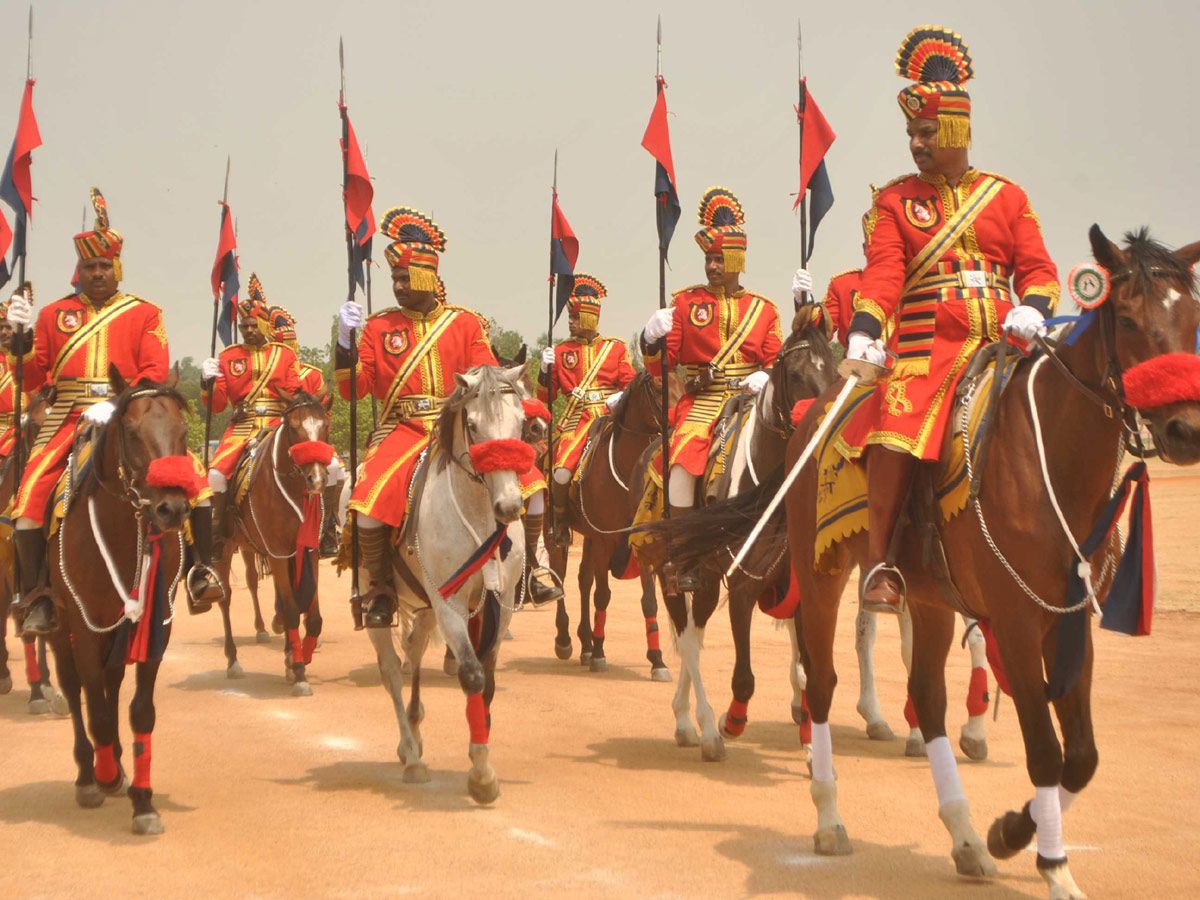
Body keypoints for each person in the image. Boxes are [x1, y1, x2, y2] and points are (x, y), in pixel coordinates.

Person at [839, 26, 1059, 613]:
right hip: (927, 352)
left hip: (1007, 343)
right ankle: (883, 562)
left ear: (957, 127)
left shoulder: (1006, 197)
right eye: (911, 132)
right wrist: (864, 328)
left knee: (1075, 402)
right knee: (894, 427)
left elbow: (1038, 270)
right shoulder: (894, 202)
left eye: (926, 130)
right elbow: (884, 273)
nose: (916, 143)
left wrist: (1033, 309)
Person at [6, 189, 218, 632]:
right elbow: (30, 381)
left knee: (195, 481)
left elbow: (155, 372)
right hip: (66, 420)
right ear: (78, 271)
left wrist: (117, 405)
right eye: (89, 267)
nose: (97, 273)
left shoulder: (145, 313)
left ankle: (201, 569)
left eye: (104, 266)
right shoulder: (52, 315)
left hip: (129, 417)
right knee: (28, 502)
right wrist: (20, 346)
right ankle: (38, 595)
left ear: (117, 268)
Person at [334, 207, 497, 628]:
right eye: (395, 280)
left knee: (526, 482)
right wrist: (345, 344)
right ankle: (383, 590)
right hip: (401, 429)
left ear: (427, 277)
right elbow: (355, 389)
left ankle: (529, 566)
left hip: (455, 428)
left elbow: (485, 379)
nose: (399, 287)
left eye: (406, 279)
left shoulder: (464, 324)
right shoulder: (378, 327)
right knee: (368, 498)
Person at [639, 187, 782, 591]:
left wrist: (767, 375)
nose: (713, 267)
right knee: (682, 462)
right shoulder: (685, 303)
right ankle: (683, 555)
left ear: (737, 260)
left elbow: (776, 360)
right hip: (702, 402)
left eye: (720, 259)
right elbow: (658, 365)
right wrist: (650, 338)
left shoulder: (764, 310)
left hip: (752, 400)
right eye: (709, 259)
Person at [200, 288, 302, 603]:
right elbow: (216, 405)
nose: (248, 330)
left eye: (254, 325)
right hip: (242, 429)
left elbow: (295, 390)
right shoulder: (229, 356)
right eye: (244, 326)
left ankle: (323, 528)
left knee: (318, 467)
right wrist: (208, 383)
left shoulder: (283, 355)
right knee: (216, 476)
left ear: (266, 327)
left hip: (276, 426)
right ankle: (218, 533)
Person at [539, 273, 635, 547]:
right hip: (576, 423)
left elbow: (630, 384)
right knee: (560, 471)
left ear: (590, 317)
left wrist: (620, 397)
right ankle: (559, 521)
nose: (569, 322)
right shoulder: (561, 351)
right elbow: (546, 397)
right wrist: (545, 372)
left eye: (574, 317)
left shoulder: (615, 349)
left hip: (609, 419)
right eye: (569, 316)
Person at [266, 295, 345, 557]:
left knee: (334, 468)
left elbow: (321, 412)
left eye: (290, 342)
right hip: (270, 427)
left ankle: (328, 528)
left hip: (306, 434)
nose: (287, 349)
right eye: (281, 344)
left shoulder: (311, 374)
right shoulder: (264, 369)